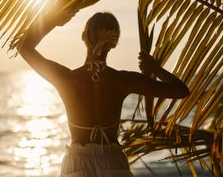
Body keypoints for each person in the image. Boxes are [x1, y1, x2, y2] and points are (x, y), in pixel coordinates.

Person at [17, 11, 190, 177]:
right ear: (114, 43)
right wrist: (155, 68)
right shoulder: (122, 80)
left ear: (84, 37)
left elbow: (24, 47)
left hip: (77, 164)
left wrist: (52, 21)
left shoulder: (67, 79)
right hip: (112, 162)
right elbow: (181, 91)